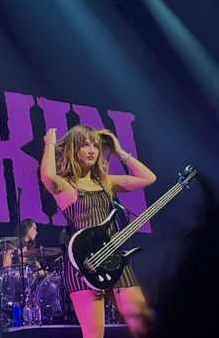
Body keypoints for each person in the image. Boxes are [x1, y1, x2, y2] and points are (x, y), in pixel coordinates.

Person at [40, 125, 157, 338]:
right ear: (73, 149)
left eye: (95, 145)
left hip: (114, 261)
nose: (92, 150)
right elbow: (47, 177)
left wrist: (120, 151)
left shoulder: (105, 182)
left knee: (145, 327)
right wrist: (49, 144)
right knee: (94, 334)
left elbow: (149, 178)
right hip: (82, 266)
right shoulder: (66, 185)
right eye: (85, 145)